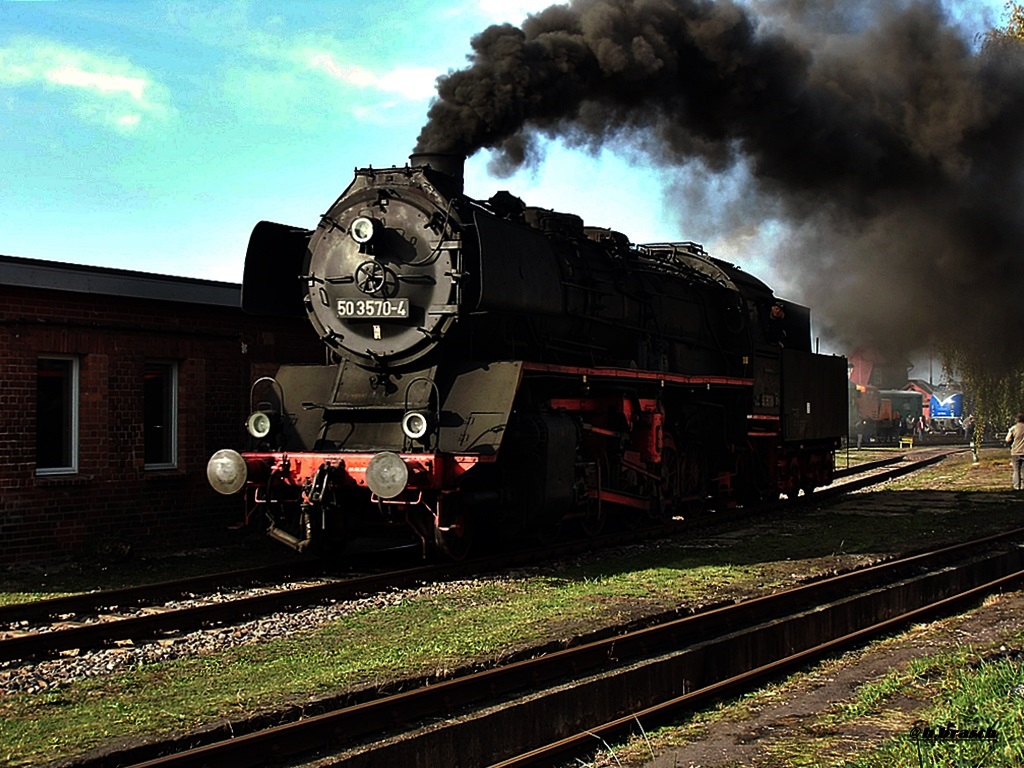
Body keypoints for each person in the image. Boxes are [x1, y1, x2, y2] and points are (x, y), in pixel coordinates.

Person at [1005, 413, 1024, 489]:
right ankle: (1023, 486)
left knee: (1016, 470)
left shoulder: (1013, 428)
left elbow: (1007, 439)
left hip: (1016, 452)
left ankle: (1016, 486)